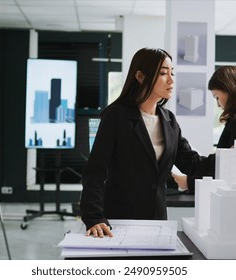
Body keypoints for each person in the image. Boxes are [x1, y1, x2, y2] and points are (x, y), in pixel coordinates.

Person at [80, 48, 215, 238]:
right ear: (140, 76)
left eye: (172, 73)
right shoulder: (116, 116)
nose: (171, 80)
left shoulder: (169, 121)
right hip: (118, 220)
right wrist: (93, 217)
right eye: (162, 73)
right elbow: (95, 171)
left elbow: (191, 163)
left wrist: (230, 156)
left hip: (157, 221)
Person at [172, 66, 236, 197]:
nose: (218, 104)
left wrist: (189, 182)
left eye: (216, 97)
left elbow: (233, 170)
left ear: (230, 90)